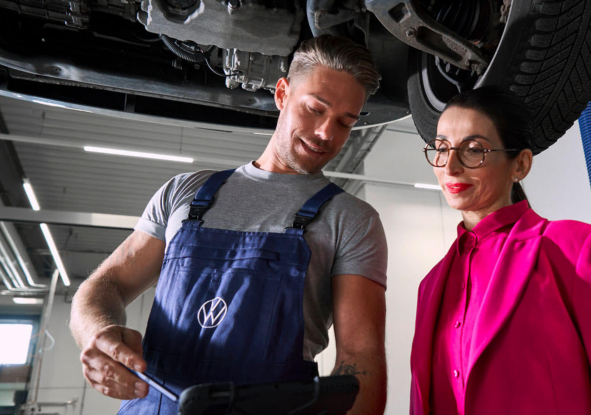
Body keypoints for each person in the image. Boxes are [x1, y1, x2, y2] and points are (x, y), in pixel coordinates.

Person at [70, 35, 388, 415]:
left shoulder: (350, 218)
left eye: (344, 122)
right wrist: (99, 334)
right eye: (315, 109)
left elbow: (361, 357)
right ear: (282, 93)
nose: (326, 133)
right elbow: (107, 285)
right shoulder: (185, 193)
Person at [409, 87, 591, 414]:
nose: (449, 167)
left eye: (473, 149)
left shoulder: (578, 250)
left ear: (519, 164)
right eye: (441, 148)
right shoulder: (430, 285)